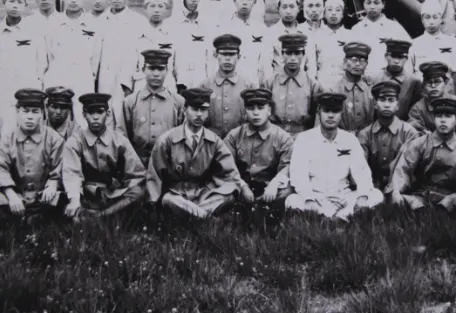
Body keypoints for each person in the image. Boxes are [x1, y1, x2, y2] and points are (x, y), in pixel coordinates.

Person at [147, 88, 242, 219]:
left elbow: (230, 173)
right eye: (194, 109)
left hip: (204, 194)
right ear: (185, 110)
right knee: (168, 200)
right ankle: (208, 218)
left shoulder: (214, 141)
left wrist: (238, 187)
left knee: (229, 195)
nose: (199, 114)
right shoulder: (167, 140)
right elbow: (154, 175)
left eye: (203, 110)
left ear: (208, 113)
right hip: (177, 194)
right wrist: (154, 203)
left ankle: (195, 215)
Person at [285, 92, 383, 220]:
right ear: (319, 112)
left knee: (376, 195)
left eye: (335, 111)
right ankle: (337, 218)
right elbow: (299, 176)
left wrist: (362, 197)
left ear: (341, 113)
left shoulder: (349, 139)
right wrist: (309, 200)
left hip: (343, 195)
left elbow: (362, 172)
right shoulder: (304, 139)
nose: (330, 115)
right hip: (316, 196)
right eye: (326, 111)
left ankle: (338, 216)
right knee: (292, 200)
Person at [388, 97, 456, 212]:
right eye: (439, 116)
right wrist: (396, 191)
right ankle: (421, 209)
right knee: (403, 201)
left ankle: (443, 210)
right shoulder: (420, 143)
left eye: (448, 117)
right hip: (422, 195)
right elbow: (403, 169)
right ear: (434, 119)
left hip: (451, 195)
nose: (443, 121)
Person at [62, 93, 146, 220]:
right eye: (91, 113)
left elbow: (136, 174)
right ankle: (89, 214)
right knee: (64, 200)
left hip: (111, 194)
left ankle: (99, 217)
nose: (95, 117)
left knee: (138, 192)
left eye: (100, 112)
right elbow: (72, 174)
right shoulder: (75, 141)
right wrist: (74, 200)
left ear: (108, 114)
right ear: (84, 114)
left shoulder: (119, 140)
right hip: (85, 193)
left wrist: (124, 187)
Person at [224, 88, 294, 221]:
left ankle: (259, 209)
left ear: (269, 110)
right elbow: (226, 165)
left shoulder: (282, 137)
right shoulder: (234, 135)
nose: (256, 113)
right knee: (224, 189)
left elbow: (288, 166)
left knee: (289, 190)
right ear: (245, 111)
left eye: (261, 108)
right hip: (242, 185)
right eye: (251, 108)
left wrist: (274, 185)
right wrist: (242, 185)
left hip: (269, 187)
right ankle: (250, 209)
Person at [44, 0, 101, 124]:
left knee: (82, 122)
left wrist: (87, 75)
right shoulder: (53, 22)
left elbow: (95, 58)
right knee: (57, 121)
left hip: (83, 79)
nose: (73, 0)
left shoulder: (93, 24)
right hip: (58, 78)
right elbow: (50, 54)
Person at [0, 89, 64, 220]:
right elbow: (1, 169)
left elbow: (59, 168)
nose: (30, 117)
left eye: (35, 112)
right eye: (25, 111)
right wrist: (11, 195)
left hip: (43, 197)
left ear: (42, 114)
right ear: (17, 112)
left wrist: (52, 185)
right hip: (16, 195)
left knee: (61, 198)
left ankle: (37, 217)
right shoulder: (7, 138)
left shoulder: (54, 138)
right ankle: (22, 216)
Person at [95, 0, 148, 126]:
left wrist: (136, 81)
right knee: (106, 117)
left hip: (129, 79)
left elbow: (143, 57)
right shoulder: (100, 22)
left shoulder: (138, 21)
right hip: (105, 80)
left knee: (126, 119)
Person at [120, 50, 185, 166]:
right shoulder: (130, 102)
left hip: (167, 164)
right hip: (137, 164)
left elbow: (183, 138)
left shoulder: (178, 102)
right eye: (151, 68)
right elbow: (122, 136)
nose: (156, 74)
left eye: (160, 69)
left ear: (167, 71)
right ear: (143, 69)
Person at [0, 0, 49, 135]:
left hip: (28, 94)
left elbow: (42, 64)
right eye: (11, 0)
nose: (15, 6)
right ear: (3, 2)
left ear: (26, 5)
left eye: (20, 1)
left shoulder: (34, 32)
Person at [357, 81, 419, 191]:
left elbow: (409, 169)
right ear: (375, 104)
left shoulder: (410, 133)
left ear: (397, 105)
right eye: (382, 100)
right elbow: (361, 168)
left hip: (402, 186)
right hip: (372, 185)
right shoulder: (365, 134)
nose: (386, 104)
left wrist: (395, 189)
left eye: (391, 100)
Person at [200, 34, 255, 138]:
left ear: (238, 57)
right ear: (215, 55)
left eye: (232, 54)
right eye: (224, 54)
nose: (227, 59)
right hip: (212, 142)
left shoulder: (249, 86)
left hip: (241, 141)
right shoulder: (204, 86)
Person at [263, 34, 319, 136]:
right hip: (275, 135)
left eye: (297, 53)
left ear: (303, 54)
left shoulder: (313, 85)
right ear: (282, 54)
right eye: (288, 53)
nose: (293, 58)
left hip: (303, 135)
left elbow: (316, 116)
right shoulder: (270, 82)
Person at [350, 0, 410, 78]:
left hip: (389, 79)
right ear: (363, 4)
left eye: (376, 3)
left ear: (383, 4)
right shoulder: (356, 29)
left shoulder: (394, 27)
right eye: (368, 2)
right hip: (363, 79)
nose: (372, 6)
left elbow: (406, 56)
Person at [164, 0, 212, 91]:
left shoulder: (209, 25)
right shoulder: (170, 24)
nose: (194, 0)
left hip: (202, 82)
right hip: (177, 82)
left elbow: (211, 59)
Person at [260, 0, 317, 80]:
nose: (288, 11)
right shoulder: (270, 33)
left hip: (301, 84)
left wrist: (309, 85)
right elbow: (266, 65)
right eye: (284, 7)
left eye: (292, 6)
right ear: (278, 9)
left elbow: (311, 65)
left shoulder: (307, 33)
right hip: (278, 83)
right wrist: (271, 85)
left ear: (298, 8)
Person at [320, 42, 374, 133]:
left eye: (362, 60)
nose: (357, 64)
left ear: (367, 64)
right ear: (345, 61)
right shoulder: (333, 90)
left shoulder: (371, 90)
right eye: (354, 60)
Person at [408, 62, 456, 134]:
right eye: (429, 82)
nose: (433, 86)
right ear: (424, 85)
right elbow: (414, 133)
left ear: (445, 82)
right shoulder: (418, 109)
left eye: (437, 82)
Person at [219, 0, 266, 84]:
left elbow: (265, 61)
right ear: (234, 1)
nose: (244, 2)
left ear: (254, 2)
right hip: (229, 82)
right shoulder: (223, 27)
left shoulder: (261, 29)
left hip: (254, 82)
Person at [133, 0, 176, 91]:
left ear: (166, 9)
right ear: (145, 9)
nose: (156, 10)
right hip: (142, 86)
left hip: (167, 86)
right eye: (152, 6)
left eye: (160, 6)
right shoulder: (136, 35)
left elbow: (178, 66)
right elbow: (129, 67)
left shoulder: (174, 34)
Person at [368, 39, 422, 121]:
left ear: (406, 58)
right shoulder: (374, 79)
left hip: (404, 130)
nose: (396, 61)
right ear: (386, 56)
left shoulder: (414, 82)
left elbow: (415, 113)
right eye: (393, 56)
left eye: (400, 57)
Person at [408, 0, 456, 74]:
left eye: (435, 17)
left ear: (441, 19)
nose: (431, 21)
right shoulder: (414, 44)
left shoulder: (452, 43)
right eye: (427, 17)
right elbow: (409, 73)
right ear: (422, 20)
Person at [314, 0, 351, 87]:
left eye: (338, 10)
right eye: (329, 10)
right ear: (324, 13)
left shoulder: (350, 35)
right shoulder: (316, 35)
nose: (333, 13)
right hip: (322, 82)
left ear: (343, 14)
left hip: (345, 82)